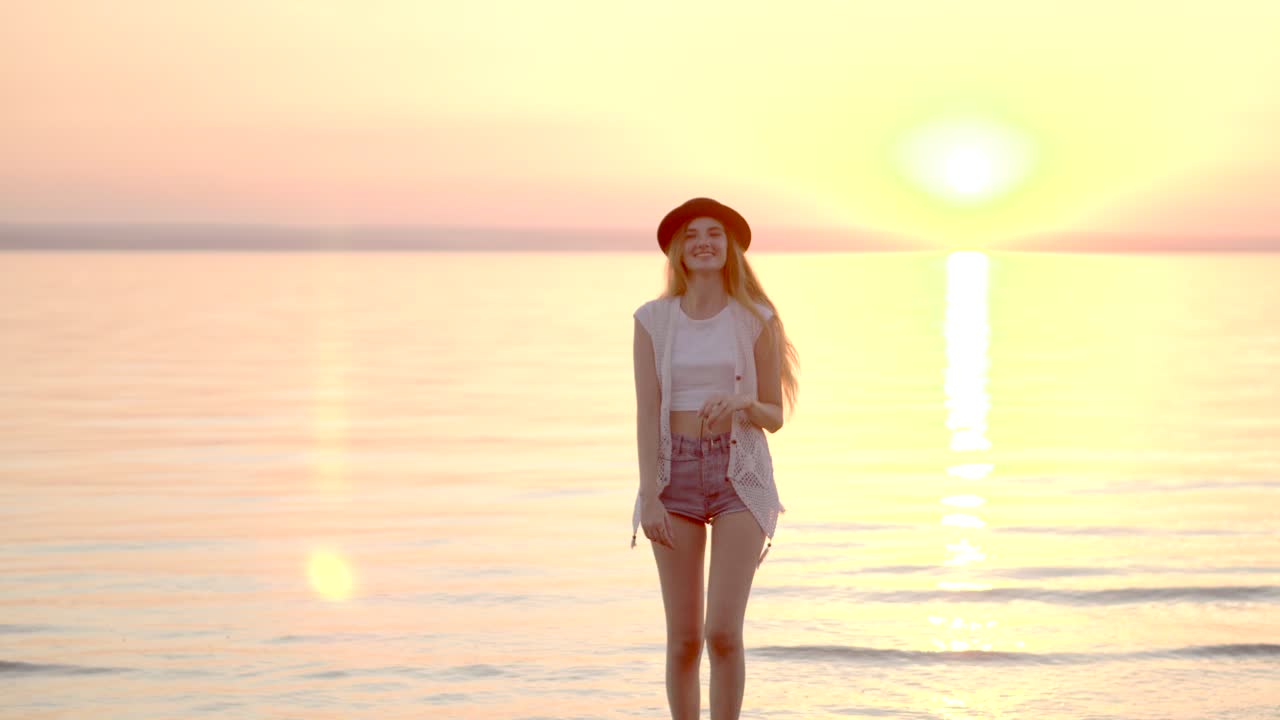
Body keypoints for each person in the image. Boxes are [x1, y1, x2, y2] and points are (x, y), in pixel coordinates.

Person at [631, 197, 799, 719]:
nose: (704, 242)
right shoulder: (652, 320)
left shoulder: (757, 320)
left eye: (715, 234)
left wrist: (742, 402)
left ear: (730, 248)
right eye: (693, 235)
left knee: (722, 632)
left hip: (738, 476)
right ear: (678, 251)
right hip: (673, 475)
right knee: (683, 639)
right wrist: (650, 496)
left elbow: (775, 415)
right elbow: (647, 412)